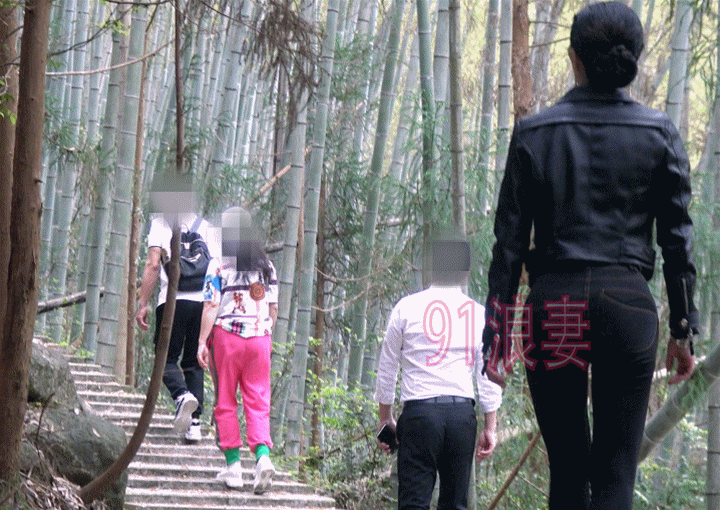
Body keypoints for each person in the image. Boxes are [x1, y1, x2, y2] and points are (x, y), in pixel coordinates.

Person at [482, 3, 698, 509]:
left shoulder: (534, 133)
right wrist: (683, 328)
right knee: (617, 472)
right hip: (627, 305)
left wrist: (497, 336)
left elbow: (508, 246)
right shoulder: (660, 133)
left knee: (567, 469)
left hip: (554, 305)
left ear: (573, 57)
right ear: (634, 58)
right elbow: (677, 239)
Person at [375, 239, 502, 510]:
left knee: (413, 503)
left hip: (420, 415)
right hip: (461, 418)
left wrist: (385, 418)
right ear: (466, 273)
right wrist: (490, 427)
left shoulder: (405, 308)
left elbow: (387, 367)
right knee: (455, 504)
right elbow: (488, 374)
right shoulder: (479, 314)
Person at [196, 207, 278, 494]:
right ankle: (262, 457)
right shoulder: (266, 267)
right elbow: (273, 309)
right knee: (258, 400)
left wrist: (201, 341)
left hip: (227, 338)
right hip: (260, 339)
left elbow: (211, 304)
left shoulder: (218, 264)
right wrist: (263, 333)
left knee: (225, 400)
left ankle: (233, 467)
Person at [136, 179, 219, 443]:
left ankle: (182, 395)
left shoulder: (161, 223)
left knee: (165, 359)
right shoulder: (206, 227)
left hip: (172, 300)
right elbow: (217, 270)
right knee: (194, 362)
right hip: (202, 302)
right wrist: (215, 308)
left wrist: (142, 302)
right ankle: (195, 424)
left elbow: (152, 264)